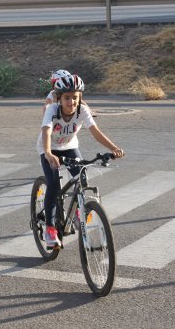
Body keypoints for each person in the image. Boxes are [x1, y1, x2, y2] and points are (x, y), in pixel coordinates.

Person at [37, 74, 124, 248]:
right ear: (59, 98)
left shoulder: (82, 110)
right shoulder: (52, 110)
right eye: (67, 98)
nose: (71, 102)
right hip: (48, 148)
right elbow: (46, 131)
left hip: (69, 147)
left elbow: (95, 132)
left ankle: (79, 214)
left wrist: (113, 148)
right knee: (53, 185)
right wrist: (47, 153)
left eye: (75, 97)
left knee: (81, 178)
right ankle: (50, 228)